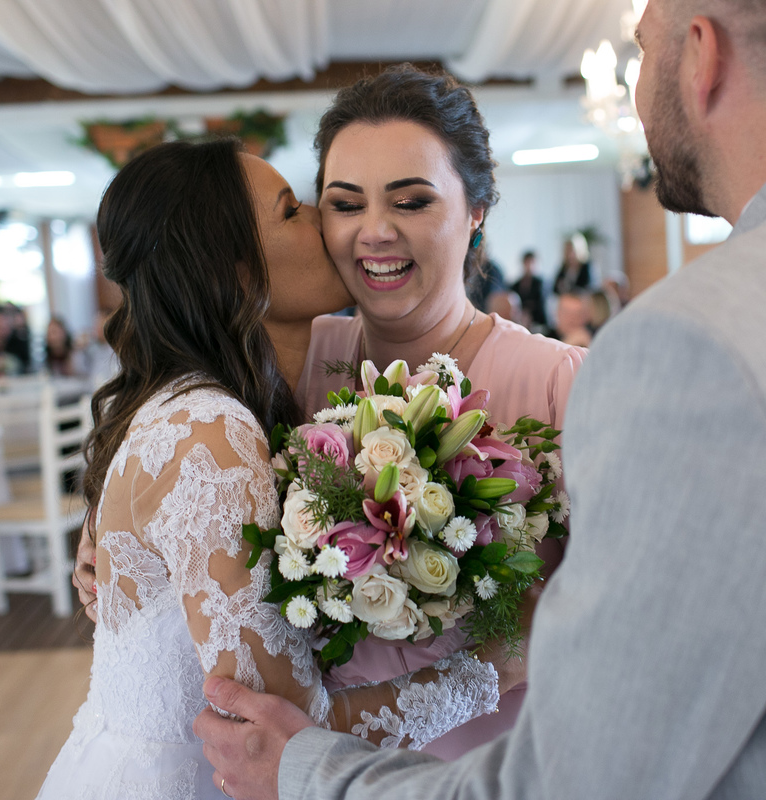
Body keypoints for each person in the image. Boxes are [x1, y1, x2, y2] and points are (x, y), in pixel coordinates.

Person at [194, 1, 766, 798]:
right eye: (343, 204)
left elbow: (587, 773)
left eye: (642, 44)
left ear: (701, 52)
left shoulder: (675, 348)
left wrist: (318, 768)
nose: (372, 229)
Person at [39, 138, 520, 800]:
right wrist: (491, 668)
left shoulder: (242, 403)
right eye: (292, 210)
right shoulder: (211, 430)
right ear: (233, 271)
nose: (327, 222)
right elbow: (282, 733)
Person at [293, 64, 585, 759]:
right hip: (311, 773)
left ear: (476, 209)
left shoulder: (558, 383)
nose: (374, 232)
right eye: (345, 203)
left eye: (412, 201)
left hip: (488, 770)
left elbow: (611, 607)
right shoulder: (290, 362)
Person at [513, 250, 548, 331]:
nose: (529, 266)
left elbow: (541, 305)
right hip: (519, 321)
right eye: (527, 262)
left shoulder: (541, 284)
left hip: (538, 322)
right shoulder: (515, 285)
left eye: (532, 262)